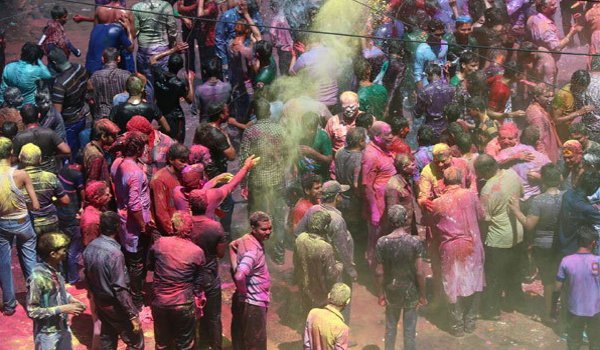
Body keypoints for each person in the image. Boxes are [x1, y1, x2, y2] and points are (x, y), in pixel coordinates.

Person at [430, 167, 485, 336]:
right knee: (474, 281)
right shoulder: (471, 195)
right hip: (472, 244)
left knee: (452, 285)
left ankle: (456, 326)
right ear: (461, 180)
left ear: (444, 182)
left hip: (450, 248)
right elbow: (482, 216)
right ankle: (470, 321)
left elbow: (433, 224)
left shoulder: (438, 202)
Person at [508, 163, 563, 322]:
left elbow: (529, 225)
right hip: (561, 243)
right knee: (561, 279)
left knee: (547, 281)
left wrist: (516, 210)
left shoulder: (539, 201)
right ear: (559, 179)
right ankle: (561, 312)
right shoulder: (566, 196)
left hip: (543, 246)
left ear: (543, 181)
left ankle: (548, 315)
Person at [83, 211, 144, 350]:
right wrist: (132, 315)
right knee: (135, 341)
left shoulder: (89, 248)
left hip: (100, 302)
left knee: (107, 338)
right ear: (117, 227)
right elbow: (120, 289)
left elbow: (87, 276)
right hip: (115, 305)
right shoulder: (115, 254)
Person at [474, 154, 524, 319]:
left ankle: (491, 311)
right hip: (517, 233)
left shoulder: (488, 190)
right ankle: (513, 303)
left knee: (493, 277)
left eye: (478, 172)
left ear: (486, 170)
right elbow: (520, 194)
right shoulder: (512, 174)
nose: (477, 176)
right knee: (513, 273)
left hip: (498, 239)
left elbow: (484, 218)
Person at [239, 98, 287, 263]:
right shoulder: (280, 129)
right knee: (278, 216)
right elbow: (288, 152)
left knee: (256, 217)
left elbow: (244, 159)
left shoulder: (250, 132)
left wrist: (243, 184)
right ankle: (279, 254)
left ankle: (257, 252)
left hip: (257, 180)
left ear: (254, 113)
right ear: (269, 112)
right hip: (277, 179)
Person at [148, 211, 205, 350]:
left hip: (160, 302)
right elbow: (199, 282)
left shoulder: (160, 243)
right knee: (185, 345)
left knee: (162, 344)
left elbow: (150, 266)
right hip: (183, 304)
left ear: (173, 227)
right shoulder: (197, 252)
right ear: (191, 229)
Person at [110, 131, 153, 311]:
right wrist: (143, 226)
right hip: (135, 224)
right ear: (140, 149)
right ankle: (136, 299)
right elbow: (135, 204)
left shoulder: (119, 164)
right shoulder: (135, 172)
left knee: (130, 258)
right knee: (137, 262)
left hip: (124, 218)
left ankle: (131, 290)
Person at [375, 204, 427, 350]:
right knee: (409, 332)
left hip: (391, 292)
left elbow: (379, 272)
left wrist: (380, 294)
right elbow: (419, 272)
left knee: (390, 329)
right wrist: (422, 295)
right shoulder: (414, 242)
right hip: (411, 292)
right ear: (405, 220)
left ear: (390, 221)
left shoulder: (382, 242)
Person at [26, 232, 86, 350]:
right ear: (53, 254)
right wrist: (64, 308)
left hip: (62, 326)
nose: (66, 253)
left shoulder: (57, 268)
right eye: (63, 250)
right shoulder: (37, 278)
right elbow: (32, 311)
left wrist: (72, 300)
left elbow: (58, 291)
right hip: (47, 334)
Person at [0, 136, 39, 316]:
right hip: (23, 222)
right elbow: (36, 205)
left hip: (2, 224)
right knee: (30, 260)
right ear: (11, 154)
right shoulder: (21, 175)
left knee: (4, 263)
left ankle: (9, 305)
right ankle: (34, 305)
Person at [189, 188, 228, 350]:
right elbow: (220, 254)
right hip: (210, 277)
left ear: (190, 206)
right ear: (206, 205)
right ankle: (215, 346)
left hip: (190, 278)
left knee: (192, 319)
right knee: (213, 317)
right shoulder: (216, 227)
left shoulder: (186, 225)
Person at [229, 211, 272, 350]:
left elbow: (231, 246)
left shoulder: (246, 239)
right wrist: (243, 290)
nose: (268, 232)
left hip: (246, 301)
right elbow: (240, 276)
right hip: (253, 303)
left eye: (270, 228)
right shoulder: (253, 252)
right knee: (256, 342)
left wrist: (235, 267)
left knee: (243, 338)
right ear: (254, 228)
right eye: (264, 229)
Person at [554, 226, 600, 350]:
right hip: (596, 310)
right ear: (593, 243)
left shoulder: (566, 261)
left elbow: (557, 287)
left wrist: (554, 307)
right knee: (596, 341)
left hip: (574, 309)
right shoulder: (598, 261)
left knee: (574, 341)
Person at [362, 121, 396, 266]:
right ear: (376, 137)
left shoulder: (382, 149)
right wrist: (374, 211)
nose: (391, 137)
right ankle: (375, 272)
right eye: (387, 134)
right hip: (378, 207)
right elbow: (367, 186)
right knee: (376, 241)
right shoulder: (370, 155)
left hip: (386, 205)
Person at [294, 211, 342, 314]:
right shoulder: (325, 247)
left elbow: (296, 262)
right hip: (320, 292)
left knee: (307, 313)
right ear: (325, 228)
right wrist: (339, 266)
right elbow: (331, 275)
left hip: (303, 285)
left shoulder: (300, 238)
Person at [47, 47, 90, 160]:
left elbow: (57, 113)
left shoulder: (59, 84)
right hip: (82, 114)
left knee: (69, 152)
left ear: (54, 63)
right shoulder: (80, 68)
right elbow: (90, 87)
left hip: (69, 122)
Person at [19, 143, 70, 236]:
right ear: (40, 159)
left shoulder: (16, 179)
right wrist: (53, 201)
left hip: (28, 224)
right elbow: (65, 200)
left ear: (20, 158)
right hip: (50, 222)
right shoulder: (50, 177)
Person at [149, 42, 194, 143]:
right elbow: (190, 99)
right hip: (175, 116)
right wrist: (190, 81)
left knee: (162, 142)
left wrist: (173, 50)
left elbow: (153, 59)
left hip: (161, 114)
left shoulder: (158, 74)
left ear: (168, 64)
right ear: (180, 67)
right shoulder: (179, 83)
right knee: (177, 142)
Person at [12, 104, 71, 174]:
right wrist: (53, 156)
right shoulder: (49, 133)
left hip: (30, 175)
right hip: (49, 171)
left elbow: (13, 160)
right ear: (39, 115)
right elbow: (67, 151)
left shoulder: (19, 138)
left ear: (22, 119)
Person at [132, 0, 177, 88]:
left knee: (146, 83)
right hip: (162, 51)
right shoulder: (166, 6)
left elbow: (135, 31)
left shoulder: (136, 7)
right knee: (163, 81)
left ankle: (149, 101)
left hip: (144, 50)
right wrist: (173, 46)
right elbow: (172, 31)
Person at [557, 171, 600, 256]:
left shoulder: (567, 194)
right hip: (576, 249)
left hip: (562, 244)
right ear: (594, 187)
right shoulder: (586, 208)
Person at [150, 143, 188, 235]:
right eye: (182, 161)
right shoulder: (159, 179)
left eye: (187, 161)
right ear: (171, 160)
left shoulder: (184, 175)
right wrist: (174, 233)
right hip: (166, 232)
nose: (185, 165)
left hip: (181, 227)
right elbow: (161, 213)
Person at [303, 283, 351, 350]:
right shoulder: (342, 328)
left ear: (329, 296)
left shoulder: (313, 313)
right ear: (347, 301)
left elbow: (307, 345)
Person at [88, 48, 132, 119]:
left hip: (102, 117)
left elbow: (90, 100)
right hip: (121, 116)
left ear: (102, 59)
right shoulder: (126, 75)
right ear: (119, 59)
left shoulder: (95, 76)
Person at [415, 64, 455, 137]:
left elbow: (417, 114)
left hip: (430, 131)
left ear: (427, 76)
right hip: (446, 129)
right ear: (440, 75)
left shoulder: (424, 92)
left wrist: (417, 100)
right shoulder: (451, 89)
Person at [553, 70, 593, 142]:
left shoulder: (579, 90)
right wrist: (578, 112)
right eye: (579, 89)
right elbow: (556, 120)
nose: (581, 91)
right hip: (561, 131)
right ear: (573, 83)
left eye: (583, 89)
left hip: (572, 127)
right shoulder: (561, 95)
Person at [526, 84, 560, 162]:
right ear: (536, 97)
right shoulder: (537, 114)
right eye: (546, 97)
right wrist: (544, 160)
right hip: (545, 155)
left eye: (550, 96)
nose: (549, 99)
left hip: (550, 148)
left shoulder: (542, 108)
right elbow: (538, 140)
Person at [384, 154, 417, 235]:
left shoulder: (407, 179)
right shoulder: (394, 186)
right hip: (400, 231)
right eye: (412, 165)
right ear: (404, 167)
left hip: (409, 226)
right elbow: (392, 212)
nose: (415, 167)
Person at [82, 118, 120, 185]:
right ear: (103, 136)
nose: (115, 138)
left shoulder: (89, 145)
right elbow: (92, 182)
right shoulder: (97, 157)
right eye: (113, 136)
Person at [414, 19, 448, 88]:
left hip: (442, 82)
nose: (440, 38)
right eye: (437, 35)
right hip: (427, 84)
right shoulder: (421, 50)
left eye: (442, 34)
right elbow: (418, 74)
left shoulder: (445, 44)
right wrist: (421, 92)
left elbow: (444, 64)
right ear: (429, 32)